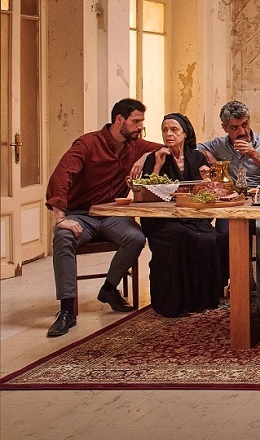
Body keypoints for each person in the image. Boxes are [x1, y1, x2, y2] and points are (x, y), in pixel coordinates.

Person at [44, 99, 160, 337]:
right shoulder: (88, 144)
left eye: (142, 121)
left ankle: (109, 288)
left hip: (112, 213)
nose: (140, 126)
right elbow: (62, 175)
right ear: (119, 120)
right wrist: (61, 218)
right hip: (81, 215)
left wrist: (144, 157)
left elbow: (166, 147)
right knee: (63, 237)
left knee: (136, 238)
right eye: (136, 121)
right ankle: (66, 310)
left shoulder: (135, 145)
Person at [138, 113, 228, 317]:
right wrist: (157, 166)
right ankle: (172, 304)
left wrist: (206, 180)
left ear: (185, 133)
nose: (169, 134)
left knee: (211, 238)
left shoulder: (197, 158)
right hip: (163, 220)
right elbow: (147, 192)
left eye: (174, 130)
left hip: (191, 216)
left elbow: (205, 192)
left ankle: (202, 300)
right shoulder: (155, 158)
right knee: (178, 236)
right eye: (165, 130)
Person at [197, 100, 260, 187]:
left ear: (249, 122)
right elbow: (192, 149)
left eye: (244, 125)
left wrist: (254, 154)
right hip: (230, 193)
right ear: (225, 128)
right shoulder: (219, 144)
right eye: (235, 128)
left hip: (258, 192)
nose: (242, 132)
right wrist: (207, 155)